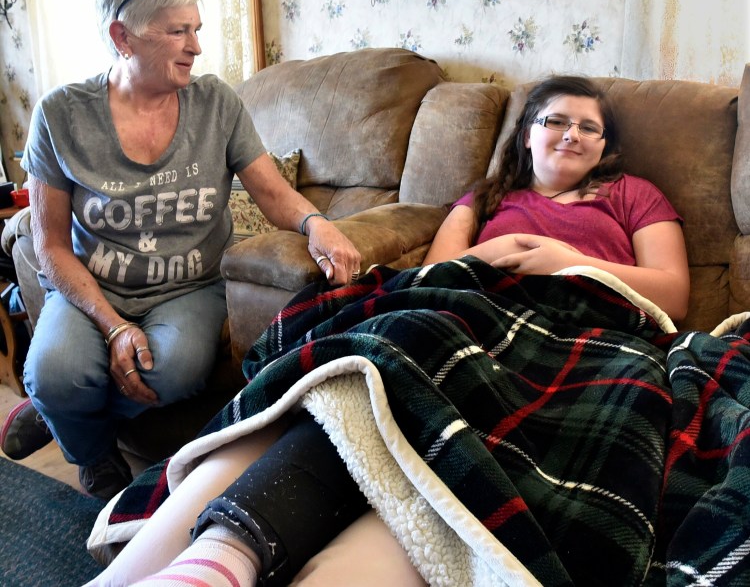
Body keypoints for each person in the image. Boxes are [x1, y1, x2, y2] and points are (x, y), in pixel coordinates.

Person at [84, 75, 690, 585]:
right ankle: (208, 561)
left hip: (583, 331)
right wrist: (494, 247)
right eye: (558, 120)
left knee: (402, 391)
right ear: (528, 133)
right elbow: (436, 273)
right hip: (468, 314)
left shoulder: (633, 195)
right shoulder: (487, 196)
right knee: (384, 354)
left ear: (606, 147)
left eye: (590, 128)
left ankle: (220, 559)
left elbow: (673, 291)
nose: (573, 135)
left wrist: (567, 260)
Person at [0, 0, 360, 501]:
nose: (195, 46)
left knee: (170, 371)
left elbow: (269, 189)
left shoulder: (215, 103)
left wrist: (317, 223)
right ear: (122, 36)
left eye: (197, 29)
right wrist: (113, 325)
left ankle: (61, 414)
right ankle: (91, 449)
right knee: (56, 373)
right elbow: (49, 243)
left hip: (189, 287)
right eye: (178, 31)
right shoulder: (61, 115)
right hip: (92, 290)